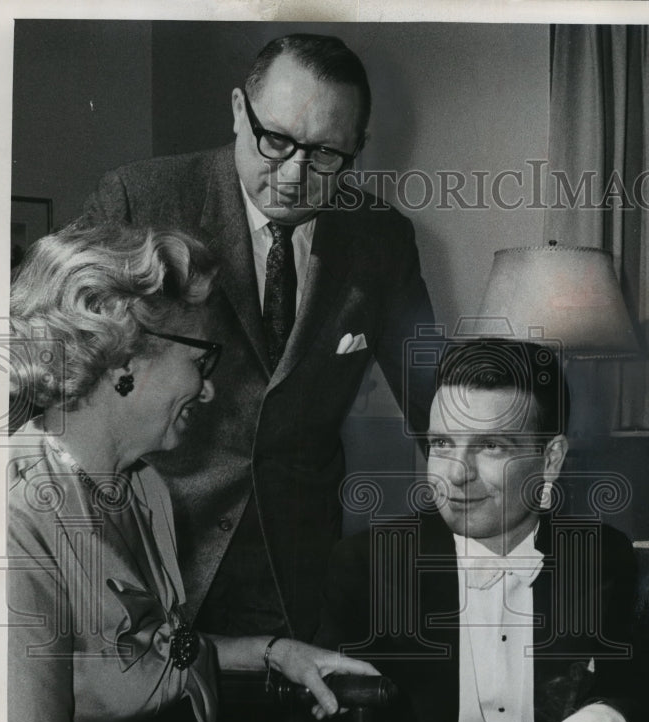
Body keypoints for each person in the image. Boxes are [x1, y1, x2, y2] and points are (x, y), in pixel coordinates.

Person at [6, 222, 480, 722]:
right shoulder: (15, 512)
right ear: (124, 361)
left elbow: (143, 649)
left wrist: (271, 651)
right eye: (202, 363)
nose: (209, 390)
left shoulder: (141, 488)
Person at [80, 33, 436, 643]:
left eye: (327, 153)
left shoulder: (381, 238)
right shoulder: (140, 199)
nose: (297, 174)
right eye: (277, 141)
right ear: (239, 111)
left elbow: (433, 395)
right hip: (152, 551)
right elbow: (54, 365)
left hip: (295, 570)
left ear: (359, 148)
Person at [316, 338, 649, 722]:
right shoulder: (368, 567)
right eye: (442, 443)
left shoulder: (601, 556)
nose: (455, 473)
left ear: (551, 460)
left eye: (490, 446)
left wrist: (609, 715)